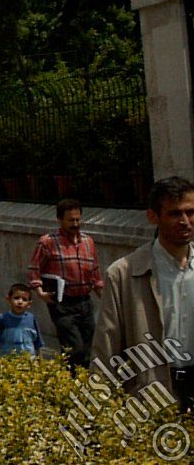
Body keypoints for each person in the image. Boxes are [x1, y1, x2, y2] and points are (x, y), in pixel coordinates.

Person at [93, 176, 194, 413]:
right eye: (174, 214)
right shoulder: (124, 274)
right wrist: (99, 409)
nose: (185, 221)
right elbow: (106, 345)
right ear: (153, 217)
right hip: (154, 390)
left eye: (190, 212)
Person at [28, 198, 104, 370]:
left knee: (88, 349)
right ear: (60, 219)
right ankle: (70, 383)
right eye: (71, 220)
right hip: (62, 305)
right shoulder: (48, 242)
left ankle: (81, 384)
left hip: (85, 302)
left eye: (78, 219)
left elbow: (96, 275)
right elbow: (34, 269)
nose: (75, 224)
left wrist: (106, 299)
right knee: (74, 348)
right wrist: (40, 292)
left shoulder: (88, 242)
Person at [0, 283, 43, 357]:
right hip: (7, 361)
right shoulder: (3, 319)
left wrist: (39, 361)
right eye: (16, 298)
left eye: (24, 299)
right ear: (8, 299)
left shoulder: (31, 319)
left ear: (29, 304)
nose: (20, 302)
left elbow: (38, 343)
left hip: (28, 361)